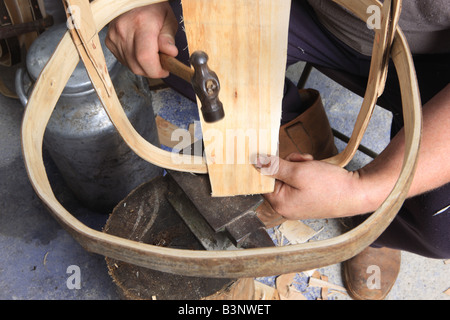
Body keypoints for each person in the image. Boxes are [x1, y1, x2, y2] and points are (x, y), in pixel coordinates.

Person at [105, 0, 450, 300]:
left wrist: (365, 190)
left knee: (441, 228)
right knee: (175, 45)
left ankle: (374, 229)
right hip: (314, 13)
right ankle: (300, 155)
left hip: (434, 57)